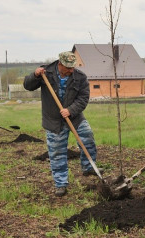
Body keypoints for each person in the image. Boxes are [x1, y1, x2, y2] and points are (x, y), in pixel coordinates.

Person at [24, 51, 99, 197]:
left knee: (87, 137)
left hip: (75, 117)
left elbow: (83, 98)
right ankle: (61, 184)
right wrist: (35, 75)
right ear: (60, 64)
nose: (71, 70)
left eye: (73, 67)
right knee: (57, 152)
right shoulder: (46, 73)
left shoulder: (80, 77)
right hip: (53, 120)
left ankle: (89, 167)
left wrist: (70, 110)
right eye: (68, 68)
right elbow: (28, 85)